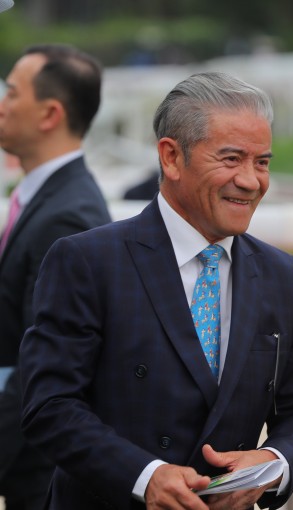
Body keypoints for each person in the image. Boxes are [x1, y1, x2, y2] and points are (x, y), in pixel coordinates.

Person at [18, 72, 293, 509]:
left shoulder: (281, 274)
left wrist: (271, 463)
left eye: (262, 162)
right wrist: (146, 477)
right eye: (232, 158)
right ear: (171, 157)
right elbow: (49, 407)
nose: (252, 181)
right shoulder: (87, 260)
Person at [0, 44, 111, 509]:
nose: (1, 103)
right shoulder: (47, 198)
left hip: (38, 472)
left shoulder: (69, 217)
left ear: (49, 114)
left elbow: (42, 367)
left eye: (10, 92)